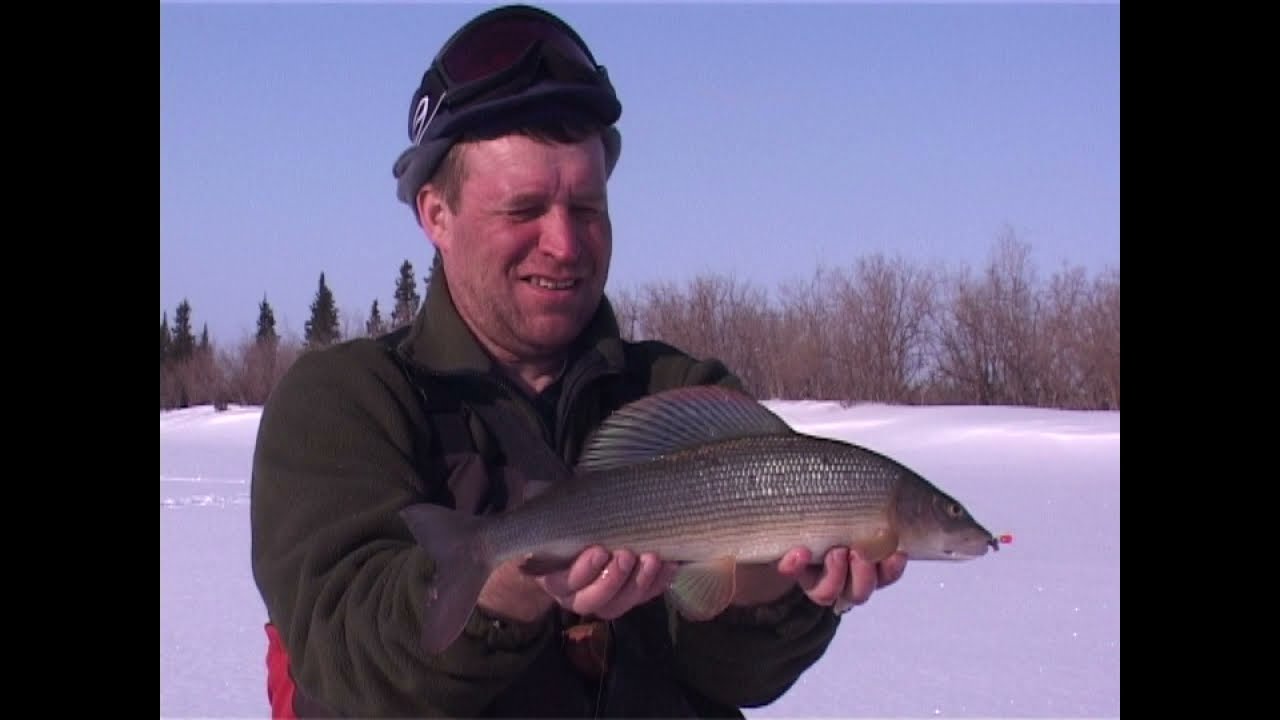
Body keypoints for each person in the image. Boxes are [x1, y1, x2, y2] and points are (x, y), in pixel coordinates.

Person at [250, 4, 908, 717]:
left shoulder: (686, 396)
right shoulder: (347, 400)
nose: (565, 244)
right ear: (436, 215)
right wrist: (515, 583)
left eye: (587, 208)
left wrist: (777, 587)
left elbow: (739, 678)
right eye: (524, 209)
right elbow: (345, 658)